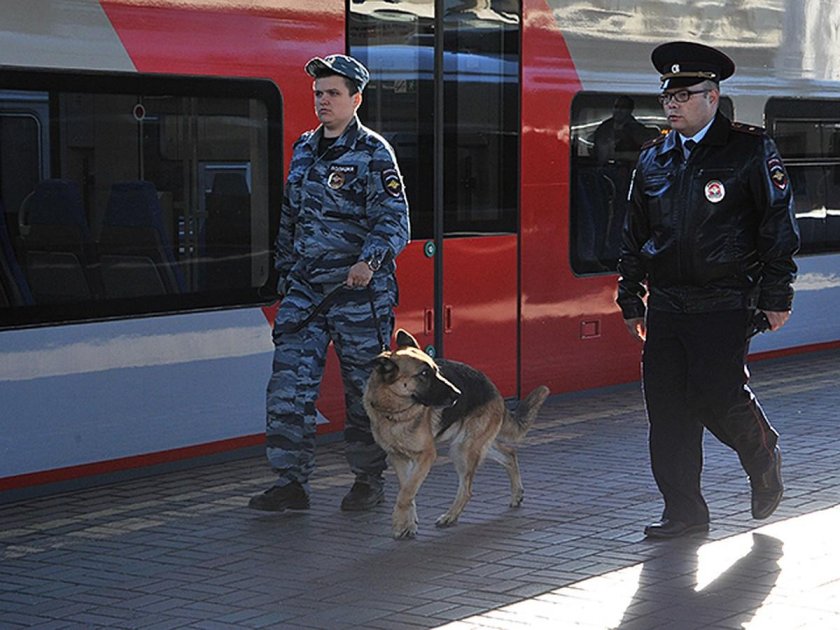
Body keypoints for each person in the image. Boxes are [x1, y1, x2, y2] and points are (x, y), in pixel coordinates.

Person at [617, 41, 800, 539]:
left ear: (713, 97)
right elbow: (635, 233)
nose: (672, 104)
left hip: (725, 298)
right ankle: (684, 511)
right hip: (669, 303)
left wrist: (776, 292)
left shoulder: (747, 148)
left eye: (684, 94)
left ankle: (763, 457)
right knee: (668, 409)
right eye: (667, 96)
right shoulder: (653, 157)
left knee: (719, 396)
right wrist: (630, 295)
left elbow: (776, 224)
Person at [249, 54, 410, 513]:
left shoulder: (375, 152)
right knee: (288, 386)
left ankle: (368, 479)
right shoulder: (304, 148)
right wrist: (283, 274)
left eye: (333, 93)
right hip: (305, 292)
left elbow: (395, 223)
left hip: (358, 293)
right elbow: (290, 219)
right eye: (318, 93)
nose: (322, 101)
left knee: (365, 392)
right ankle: (290, 483)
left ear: (356, 99)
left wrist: (368, 262)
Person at [593, 95, 658, 166]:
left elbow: (645, 154)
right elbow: (598, 152)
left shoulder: (638, 130)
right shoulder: (604, 127)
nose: (619, 110)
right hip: (606, 169)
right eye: (616, 106)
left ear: (630, 110)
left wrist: (619, 155)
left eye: (623, 107)